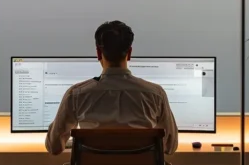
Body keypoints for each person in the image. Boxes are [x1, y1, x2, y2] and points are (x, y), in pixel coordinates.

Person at [44, 20, 179, 156]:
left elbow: (54, 147)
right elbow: (170, 146)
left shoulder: (75, 94)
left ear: (98, 52)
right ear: (129, 53)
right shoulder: (156, 94)